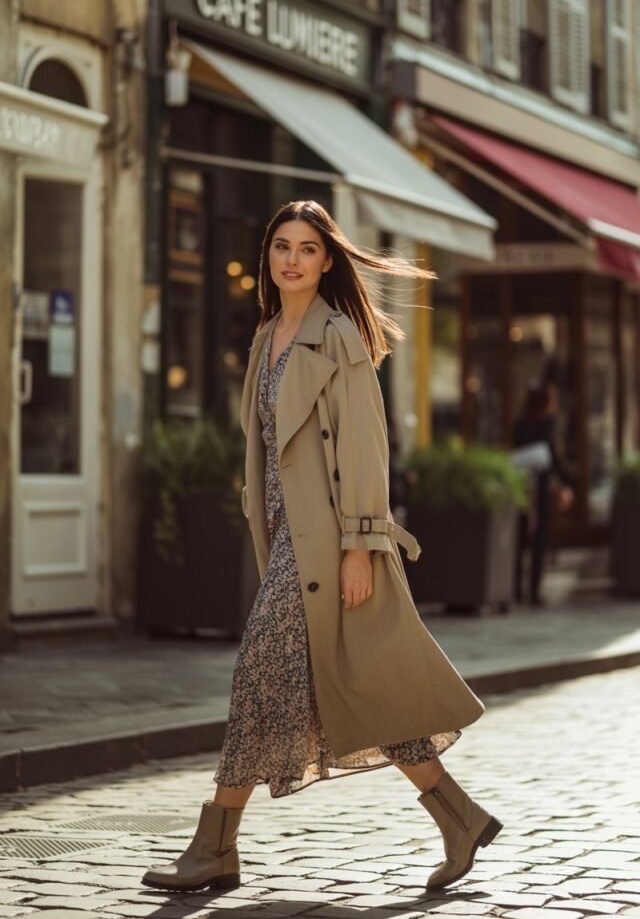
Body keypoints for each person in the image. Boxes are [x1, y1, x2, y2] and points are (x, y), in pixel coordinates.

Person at [142, 200, 502, 895]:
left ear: (327, 260)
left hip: (326, 544)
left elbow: (368, 448)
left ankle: (215, 844)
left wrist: (360, 546)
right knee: (356, 689)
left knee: (255, 676)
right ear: (267, 257)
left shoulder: (337, 337)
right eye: (281, 247)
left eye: (307, 249)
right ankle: (459, 818)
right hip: (283, 540)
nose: (292, 260)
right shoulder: (269, 335)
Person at [512, 381, 574, 606]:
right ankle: (533, 590)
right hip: (539, 487)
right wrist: (569, 481)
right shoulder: (547, 425)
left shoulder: (519, 425)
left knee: (520, 537)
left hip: (521, 486)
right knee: (538, 539)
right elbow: (553, 458)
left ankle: (517, 588)